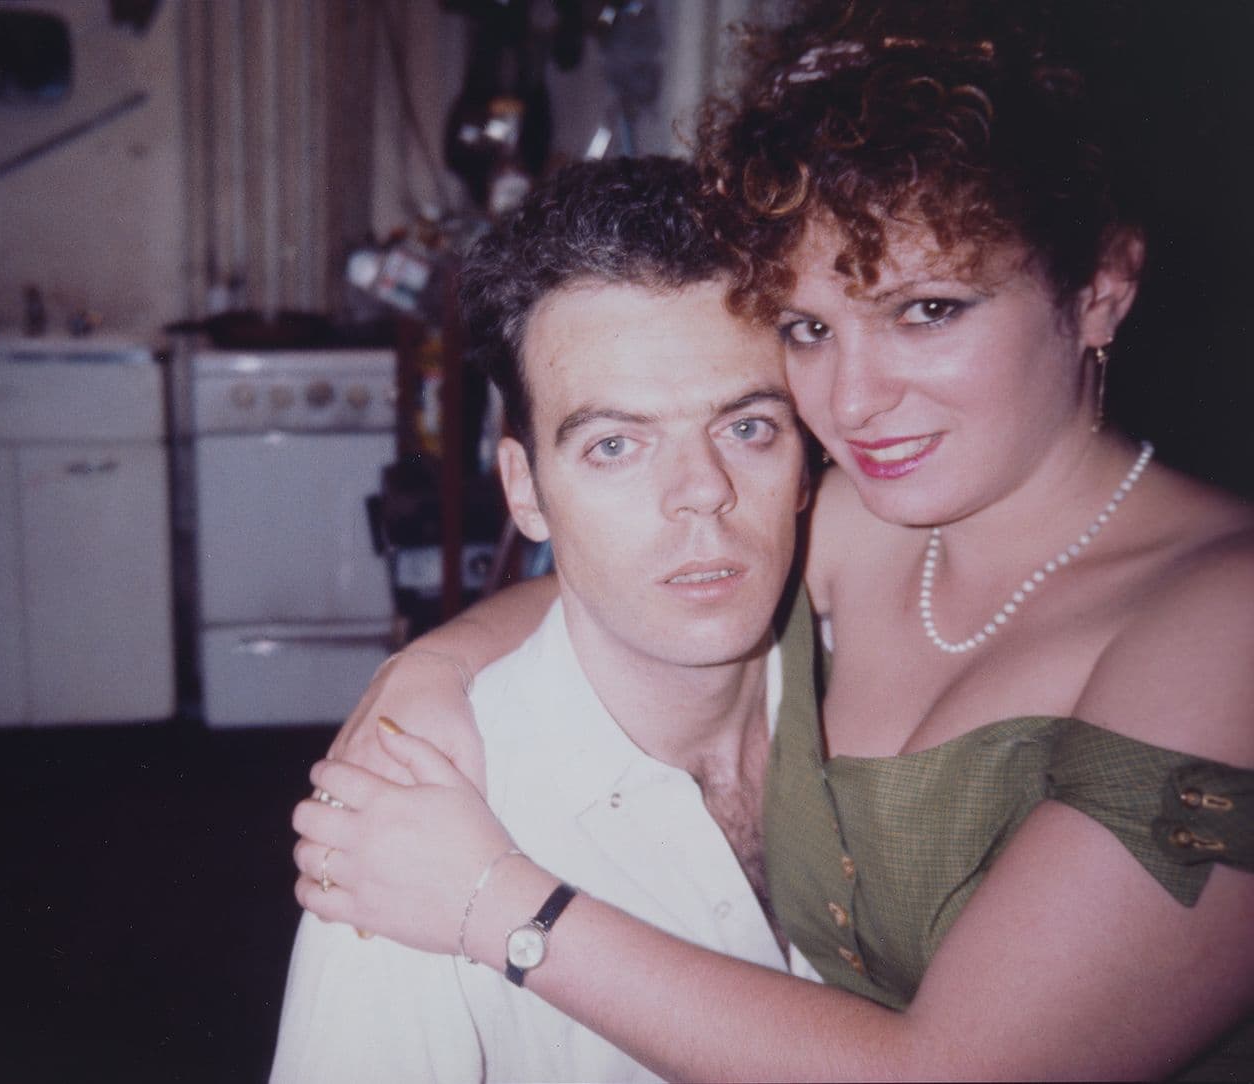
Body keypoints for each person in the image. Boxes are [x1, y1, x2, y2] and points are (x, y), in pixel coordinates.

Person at [291, 2, 1254, 1079]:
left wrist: (499, 903)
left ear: (1100, 289)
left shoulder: (1226, 620)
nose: (851, 399)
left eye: (926, 311)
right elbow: (662, 556)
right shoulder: (866, 517)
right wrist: (433, 670)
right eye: (808, 328)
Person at [270, 156, 821, 1084]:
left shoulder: (892, 694)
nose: (702, 496)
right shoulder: (418, 823)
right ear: (525, 490)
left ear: (807, 457)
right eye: (615, 445)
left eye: (747, 427)